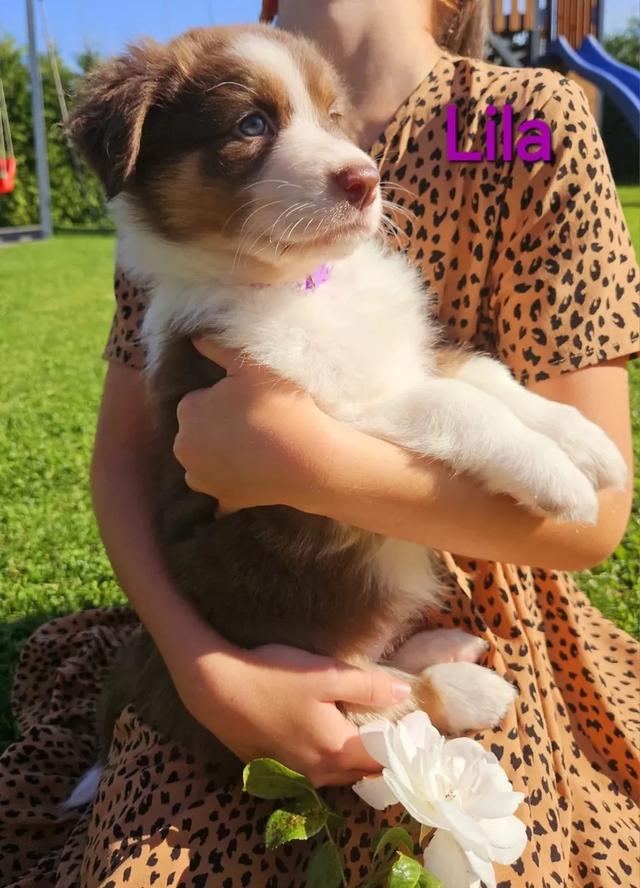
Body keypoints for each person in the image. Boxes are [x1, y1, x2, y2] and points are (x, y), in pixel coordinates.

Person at [0, 1, 638, 885]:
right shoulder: (201, 272)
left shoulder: (519, 125)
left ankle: (400, 679)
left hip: (489, 598)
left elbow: (587, 519)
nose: (351, 162)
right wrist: (205, 668)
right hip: (257, 638)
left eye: (328, 118)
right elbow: (127, 463)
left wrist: (321, 457)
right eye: (252, 125)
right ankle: (393, 686)